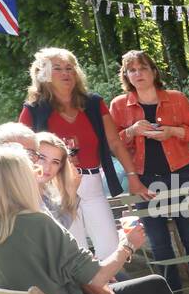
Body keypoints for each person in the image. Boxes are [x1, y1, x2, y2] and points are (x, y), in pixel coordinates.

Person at [0, 145, 171, 294]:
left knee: (153, 284)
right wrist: (127, 245)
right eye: (33, 171)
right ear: (20, 181)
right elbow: (97, 278)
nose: (37, 176)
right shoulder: (38, 223)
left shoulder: (5, 225)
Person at [20, 48, 152, 255]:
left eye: (70, 68)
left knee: (110, 247)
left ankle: (114, 286)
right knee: (74, 251)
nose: (66, 73)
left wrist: (133, 176)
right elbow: (22, 152)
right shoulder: (33, 109)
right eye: (58, 69)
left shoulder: (93, 103)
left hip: (92, 183)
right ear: (43, 74)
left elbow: (115, 143)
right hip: (55, 188)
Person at [109, 50, 189, 294]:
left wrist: (172, 132)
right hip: (143, 177)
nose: (137, 74)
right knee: (158, 239)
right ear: (126, 76)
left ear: (154, 71)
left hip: (178, 172)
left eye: (142, 68)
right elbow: (111, 143)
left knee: (188, 231)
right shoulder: (119, 105)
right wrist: (131, 131)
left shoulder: (175, 98)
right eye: (131, 70)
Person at [34, 133, 82, 238]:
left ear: (61, 168)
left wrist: (71, 193)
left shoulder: (47, 192)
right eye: (42, 158)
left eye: (55, 162)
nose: (47, 167)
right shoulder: (20, 192)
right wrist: (72, 194)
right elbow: (56, 233)